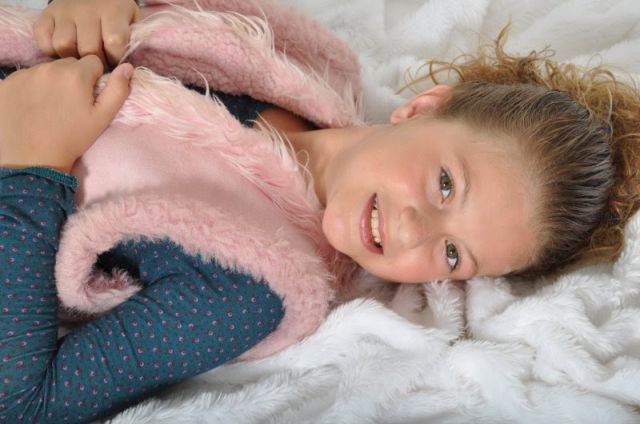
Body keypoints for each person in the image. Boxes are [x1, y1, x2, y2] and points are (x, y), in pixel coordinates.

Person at [0, 0, 638, 422]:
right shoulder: (291, 63)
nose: (412, 229)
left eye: (452, 254)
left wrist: (29, 167)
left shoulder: (250, 285)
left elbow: (27, 403)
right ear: (425, 107)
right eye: (445, 184)